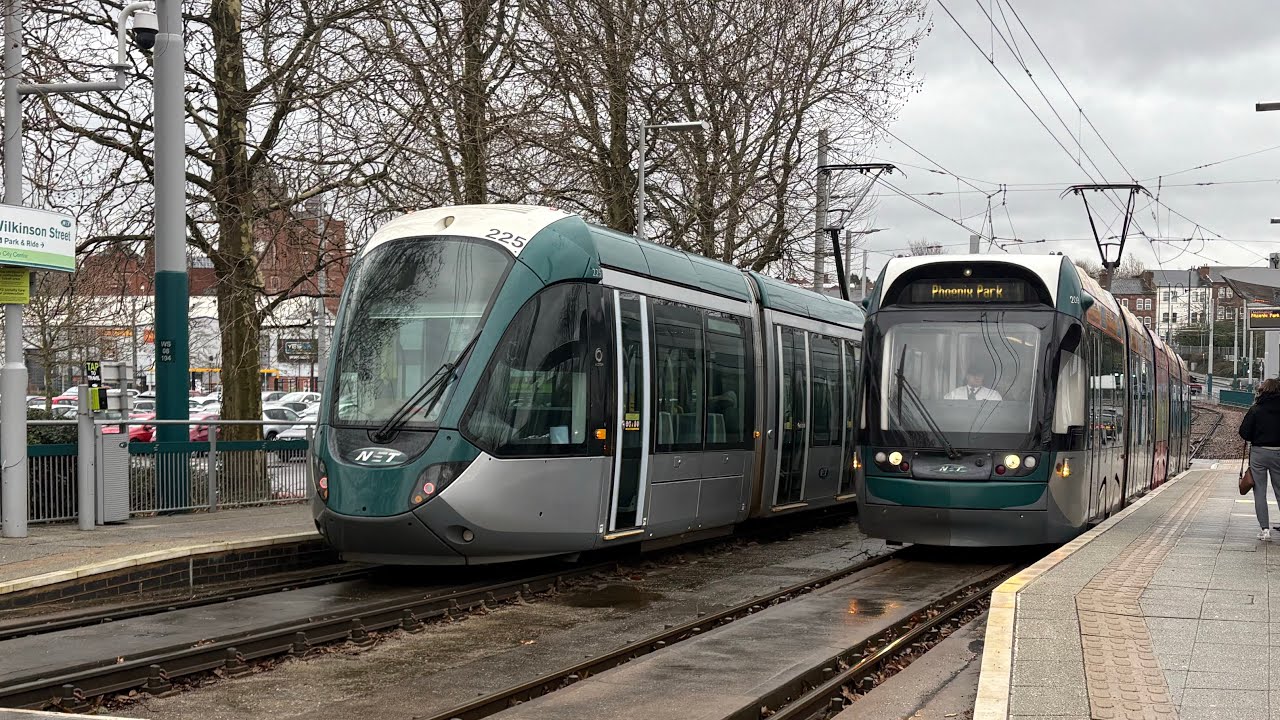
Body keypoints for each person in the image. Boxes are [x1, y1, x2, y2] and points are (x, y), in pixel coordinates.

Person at [1240, 378, 1280, 540]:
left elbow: (1244, 432)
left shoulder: (1256, 409)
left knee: (1260, 492)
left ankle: (1265, 530)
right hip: (1279, 453)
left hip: (1259, 453)